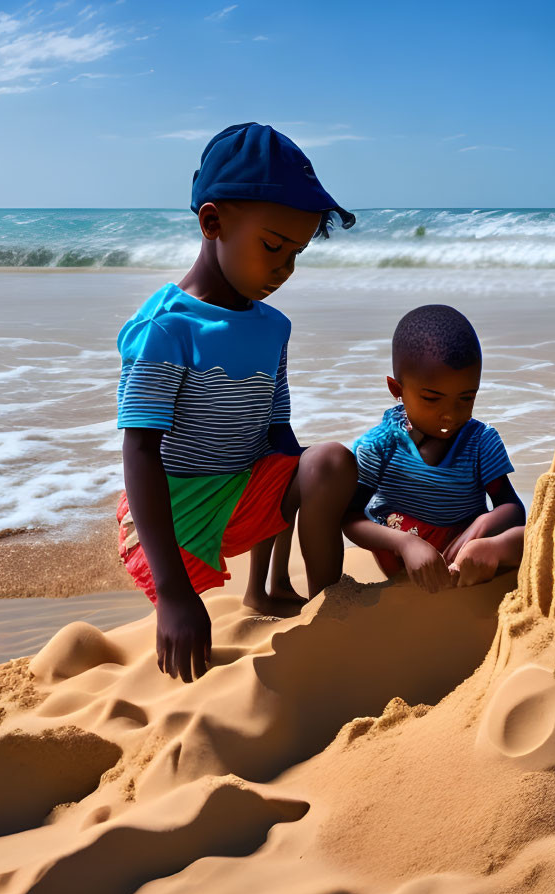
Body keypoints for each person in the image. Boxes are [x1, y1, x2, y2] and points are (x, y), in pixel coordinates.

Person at [117, 123, 358, 682]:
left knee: (328, 461)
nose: (284, 269)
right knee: (187, 645)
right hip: (172, 520)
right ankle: (185, 597)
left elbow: (277, 432)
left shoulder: (274, 326)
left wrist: (332, 493)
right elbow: (140, 454)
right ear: (212, 222)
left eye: (296, 253)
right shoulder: (167, 327)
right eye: (273, 246)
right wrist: (175, 595)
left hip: (241, 494)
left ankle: (322, 608)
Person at [344, 305, 526, 592]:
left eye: (465, 399)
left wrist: (485, 531)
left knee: (546, 534)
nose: (450, 415)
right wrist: (406, 543)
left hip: (463, 551)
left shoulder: (481, 440)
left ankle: (489, 554)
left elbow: (512, 508)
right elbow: (350, 518)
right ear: (397, 389)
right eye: (432, 399)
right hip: (405, 557)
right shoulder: (378, 446)